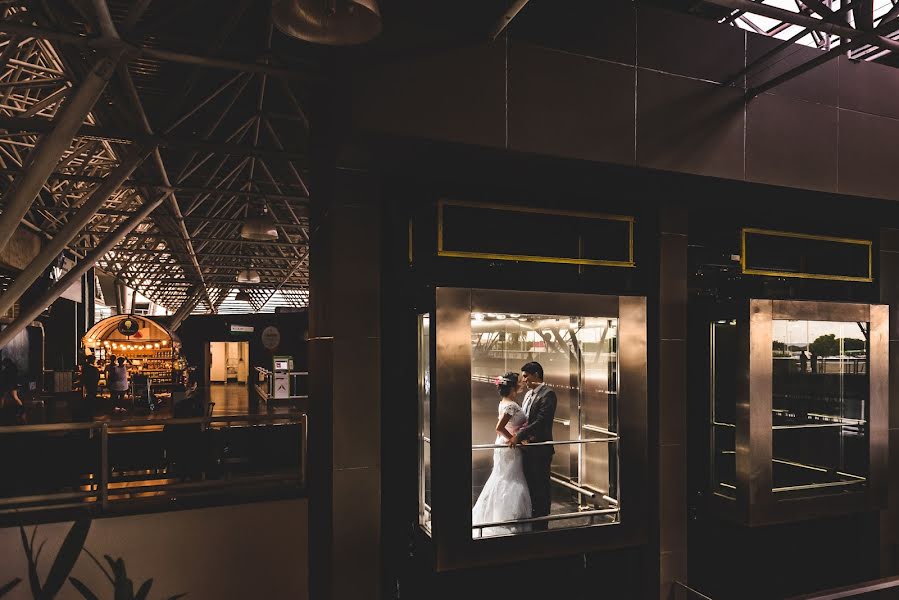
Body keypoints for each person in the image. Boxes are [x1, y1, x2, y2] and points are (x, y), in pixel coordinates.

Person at [471, 372, 532, 537]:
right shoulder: (511, 405)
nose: (521, 384)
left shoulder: (504, 403)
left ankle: (497, 516)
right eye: (519, 383)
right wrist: (514, 439)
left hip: (503, 446)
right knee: (510, 480)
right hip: (508, 448)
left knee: (502, 479)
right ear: (512, 387)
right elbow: (499, 427)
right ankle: (505, 519)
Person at [510, 361, 557, 531]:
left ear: (536, 374)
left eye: (526, 376)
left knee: (541, 488)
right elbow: (526, 418)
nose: (524, 380)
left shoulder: (548, 394)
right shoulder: (529, 395)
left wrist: (519, 435)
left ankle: (542, 525)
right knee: (531, 485)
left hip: (540, 449)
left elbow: (541, 421)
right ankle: (533, 521)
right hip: (528, 448)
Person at [0, 360, 23, 425]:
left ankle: (1, 410)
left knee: (2, 397)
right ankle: (21, 408)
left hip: (9, 385)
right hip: (12, 385)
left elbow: (5, 376)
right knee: (14, 397)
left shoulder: (9, 369)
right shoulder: (13, 368)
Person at [81, 355, 100, 419]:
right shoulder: (94, 369)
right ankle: (91, 413)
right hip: (93, 385)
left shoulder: (85, 367)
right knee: (92, 397)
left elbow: (83, 377)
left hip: (88, 385)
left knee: (89, 397)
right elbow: (97, 377)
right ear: (93, 360)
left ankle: (88, 412)